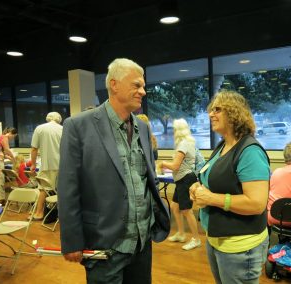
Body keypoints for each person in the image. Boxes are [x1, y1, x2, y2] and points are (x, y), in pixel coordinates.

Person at [57, 58, 170, 283]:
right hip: (104, 243)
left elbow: (147, 179)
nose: (143, 92)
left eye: (143, 86)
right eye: (137, 85)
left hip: (141, 242)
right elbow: (68, 187)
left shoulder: (144, 128)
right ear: (114, 84)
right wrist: (72, 240)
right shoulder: (78, 126)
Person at [189, 90, 270, 284]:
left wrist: (210, 198)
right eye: (210, 110)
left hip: (240, 247)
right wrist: (198, 188)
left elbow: (256, 203)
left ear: (234, 113)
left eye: (217, 109)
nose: (210, 114)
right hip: (217, 239)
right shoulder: (223, 146)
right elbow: (216, 180)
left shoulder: (249, 151)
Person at [158, 118, 201, 251]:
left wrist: (163, 164)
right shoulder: (188, 143)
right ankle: (181, 234)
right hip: (182, 178)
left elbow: (176, 165)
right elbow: (179, 165)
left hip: (185, 179)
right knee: (175, 207)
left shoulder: (183, 144)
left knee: (186, 210)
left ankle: (196, 239)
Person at [30, 111, 63, 220]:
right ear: (59, 119)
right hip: (62, 164)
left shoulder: (40, 128)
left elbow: (34, 148)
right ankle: (58, 213)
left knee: (43, 189)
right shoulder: (63, 129)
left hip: (47, 164)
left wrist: (33, 164)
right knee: (58, 190)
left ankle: (39, 213)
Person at [0, 127, 17, 203]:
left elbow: (2, 151)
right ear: (11, 133)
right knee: (0, 179)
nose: (12, 138)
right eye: (13, 136)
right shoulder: (5, 137)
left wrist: (9, 158)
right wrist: (13, 158)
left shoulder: (1, 137)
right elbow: (7, 150)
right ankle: (0, 199)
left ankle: (0, 198)